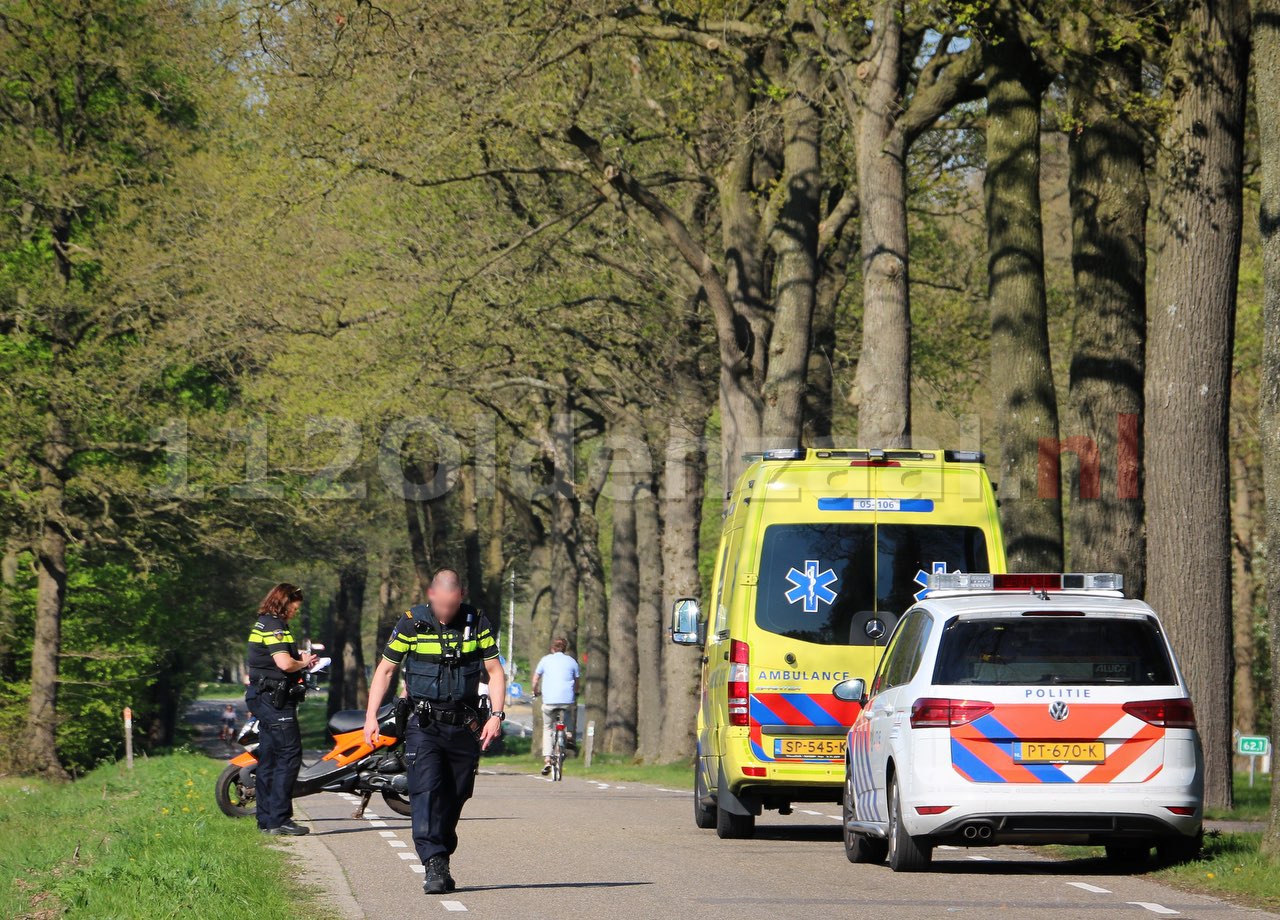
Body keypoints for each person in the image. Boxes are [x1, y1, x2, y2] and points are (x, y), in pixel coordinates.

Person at [364, 568, 504, 896]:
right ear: (431, 595)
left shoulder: (477, 623)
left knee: (457, 794)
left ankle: (442, 847)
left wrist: (496, 715)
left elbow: (495, 671)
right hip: (423, 724)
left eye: (452, 607)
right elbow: (385, 670)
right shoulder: (411, 623)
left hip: (464, 724)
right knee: (425, 792)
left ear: (461, 596)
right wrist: (371, 716)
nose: (446, 613)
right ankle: (434, 862)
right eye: (441, 606)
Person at [245, 582, 316, 836]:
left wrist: (301, 661)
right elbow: (284, 663)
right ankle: (280, 819)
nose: (295, 612)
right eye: (294, 607)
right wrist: (303, 662)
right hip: (274, 700)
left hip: (264, 697)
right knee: (289, 755)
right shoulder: (274, 626)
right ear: (284, 602)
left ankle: (266, 820)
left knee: (270, 757)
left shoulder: (264, 623)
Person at [532, 638, 579, 776]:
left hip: (549, 701)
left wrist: (534, 691)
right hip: (566, 700)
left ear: (552, 649)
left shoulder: (545, 660)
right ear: (565, 649)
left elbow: (535, 679)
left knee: (547, 728)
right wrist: (576, 692)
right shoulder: (572, 661)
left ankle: (547, 760)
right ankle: (569, 735)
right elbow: (577, 681)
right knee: (568, 713)